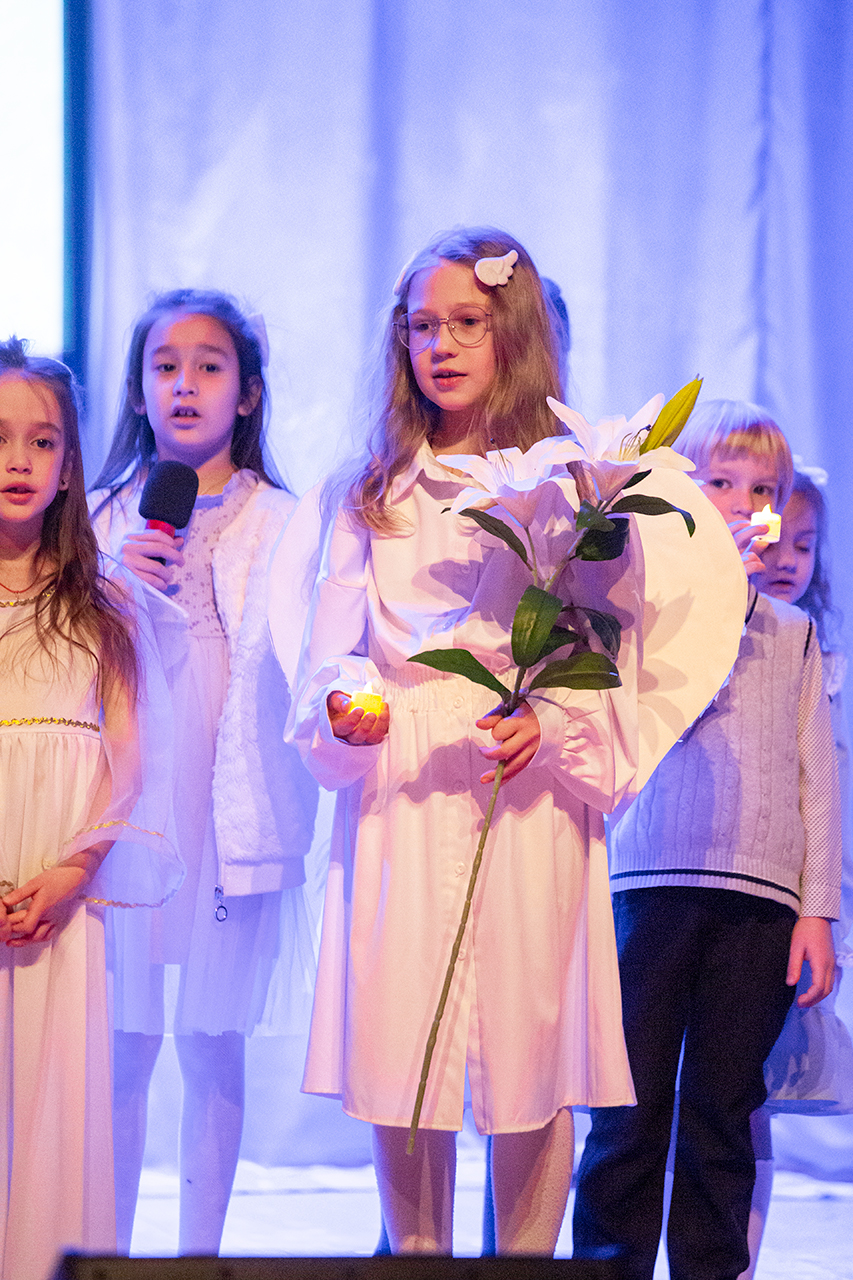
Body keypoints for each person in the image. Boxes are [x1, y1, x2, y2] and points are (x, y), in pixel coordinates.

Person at [283, 228, 745, 1255]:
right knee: (406, 1048)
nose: (440, 346)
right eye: (422, 326)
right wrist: (346, 705)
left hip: (524, 785)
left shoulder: (574, 487)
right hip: (406, 784)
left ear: (514, 333)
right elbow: (332, 654)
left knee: (529, 1047)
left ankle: (525, 1260)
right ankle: (416, 1257)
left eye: (466, 323)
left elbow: (607, 644)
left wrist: (550, 714)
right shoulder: (373, 491)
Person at [572, 401, 842, 1280]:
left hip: (759, 903)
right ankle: (605, 1264)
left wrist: (816, 912)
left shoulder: (794, 635)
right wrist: (707, 592)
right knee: (627, 1107)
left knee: (722, 1110)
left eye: (762, 490)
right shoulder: (643, 610)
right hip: (647, 885)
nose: (742, 503)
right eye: (720, 482)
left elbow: (816, 781)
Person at [90, 290, 318, 1255]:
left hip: (234, 798)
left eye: (209, 366)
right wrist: (113, 580)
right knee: (121, 1042)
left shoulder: (286, 520)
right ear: (138, 391)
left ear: (248, 393)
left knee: (210, 1039)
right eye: (165, 365)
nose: (185, 384)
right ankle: (100, 1249)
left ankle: (199, 1259)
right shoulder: (100, 517)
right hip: (130, 793)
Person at [0, 338, 181, 1280]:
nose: (19, 460)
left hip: (62, 894)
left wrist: (74, 871)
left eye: (42, 442)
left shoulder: (105, 602)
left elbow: (129, 764)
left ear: (70, 467)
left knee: (50, 1094)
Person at [739, 469, 853, 1278]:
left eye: (804, 546)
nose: (786, 560)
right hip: (718, 886)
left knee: (750, 1096)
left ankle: (737, 1260)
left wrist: (825, 906)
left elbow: (823, 789)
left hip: (794, 898)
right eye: (775, 539)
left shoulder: (818, 656)